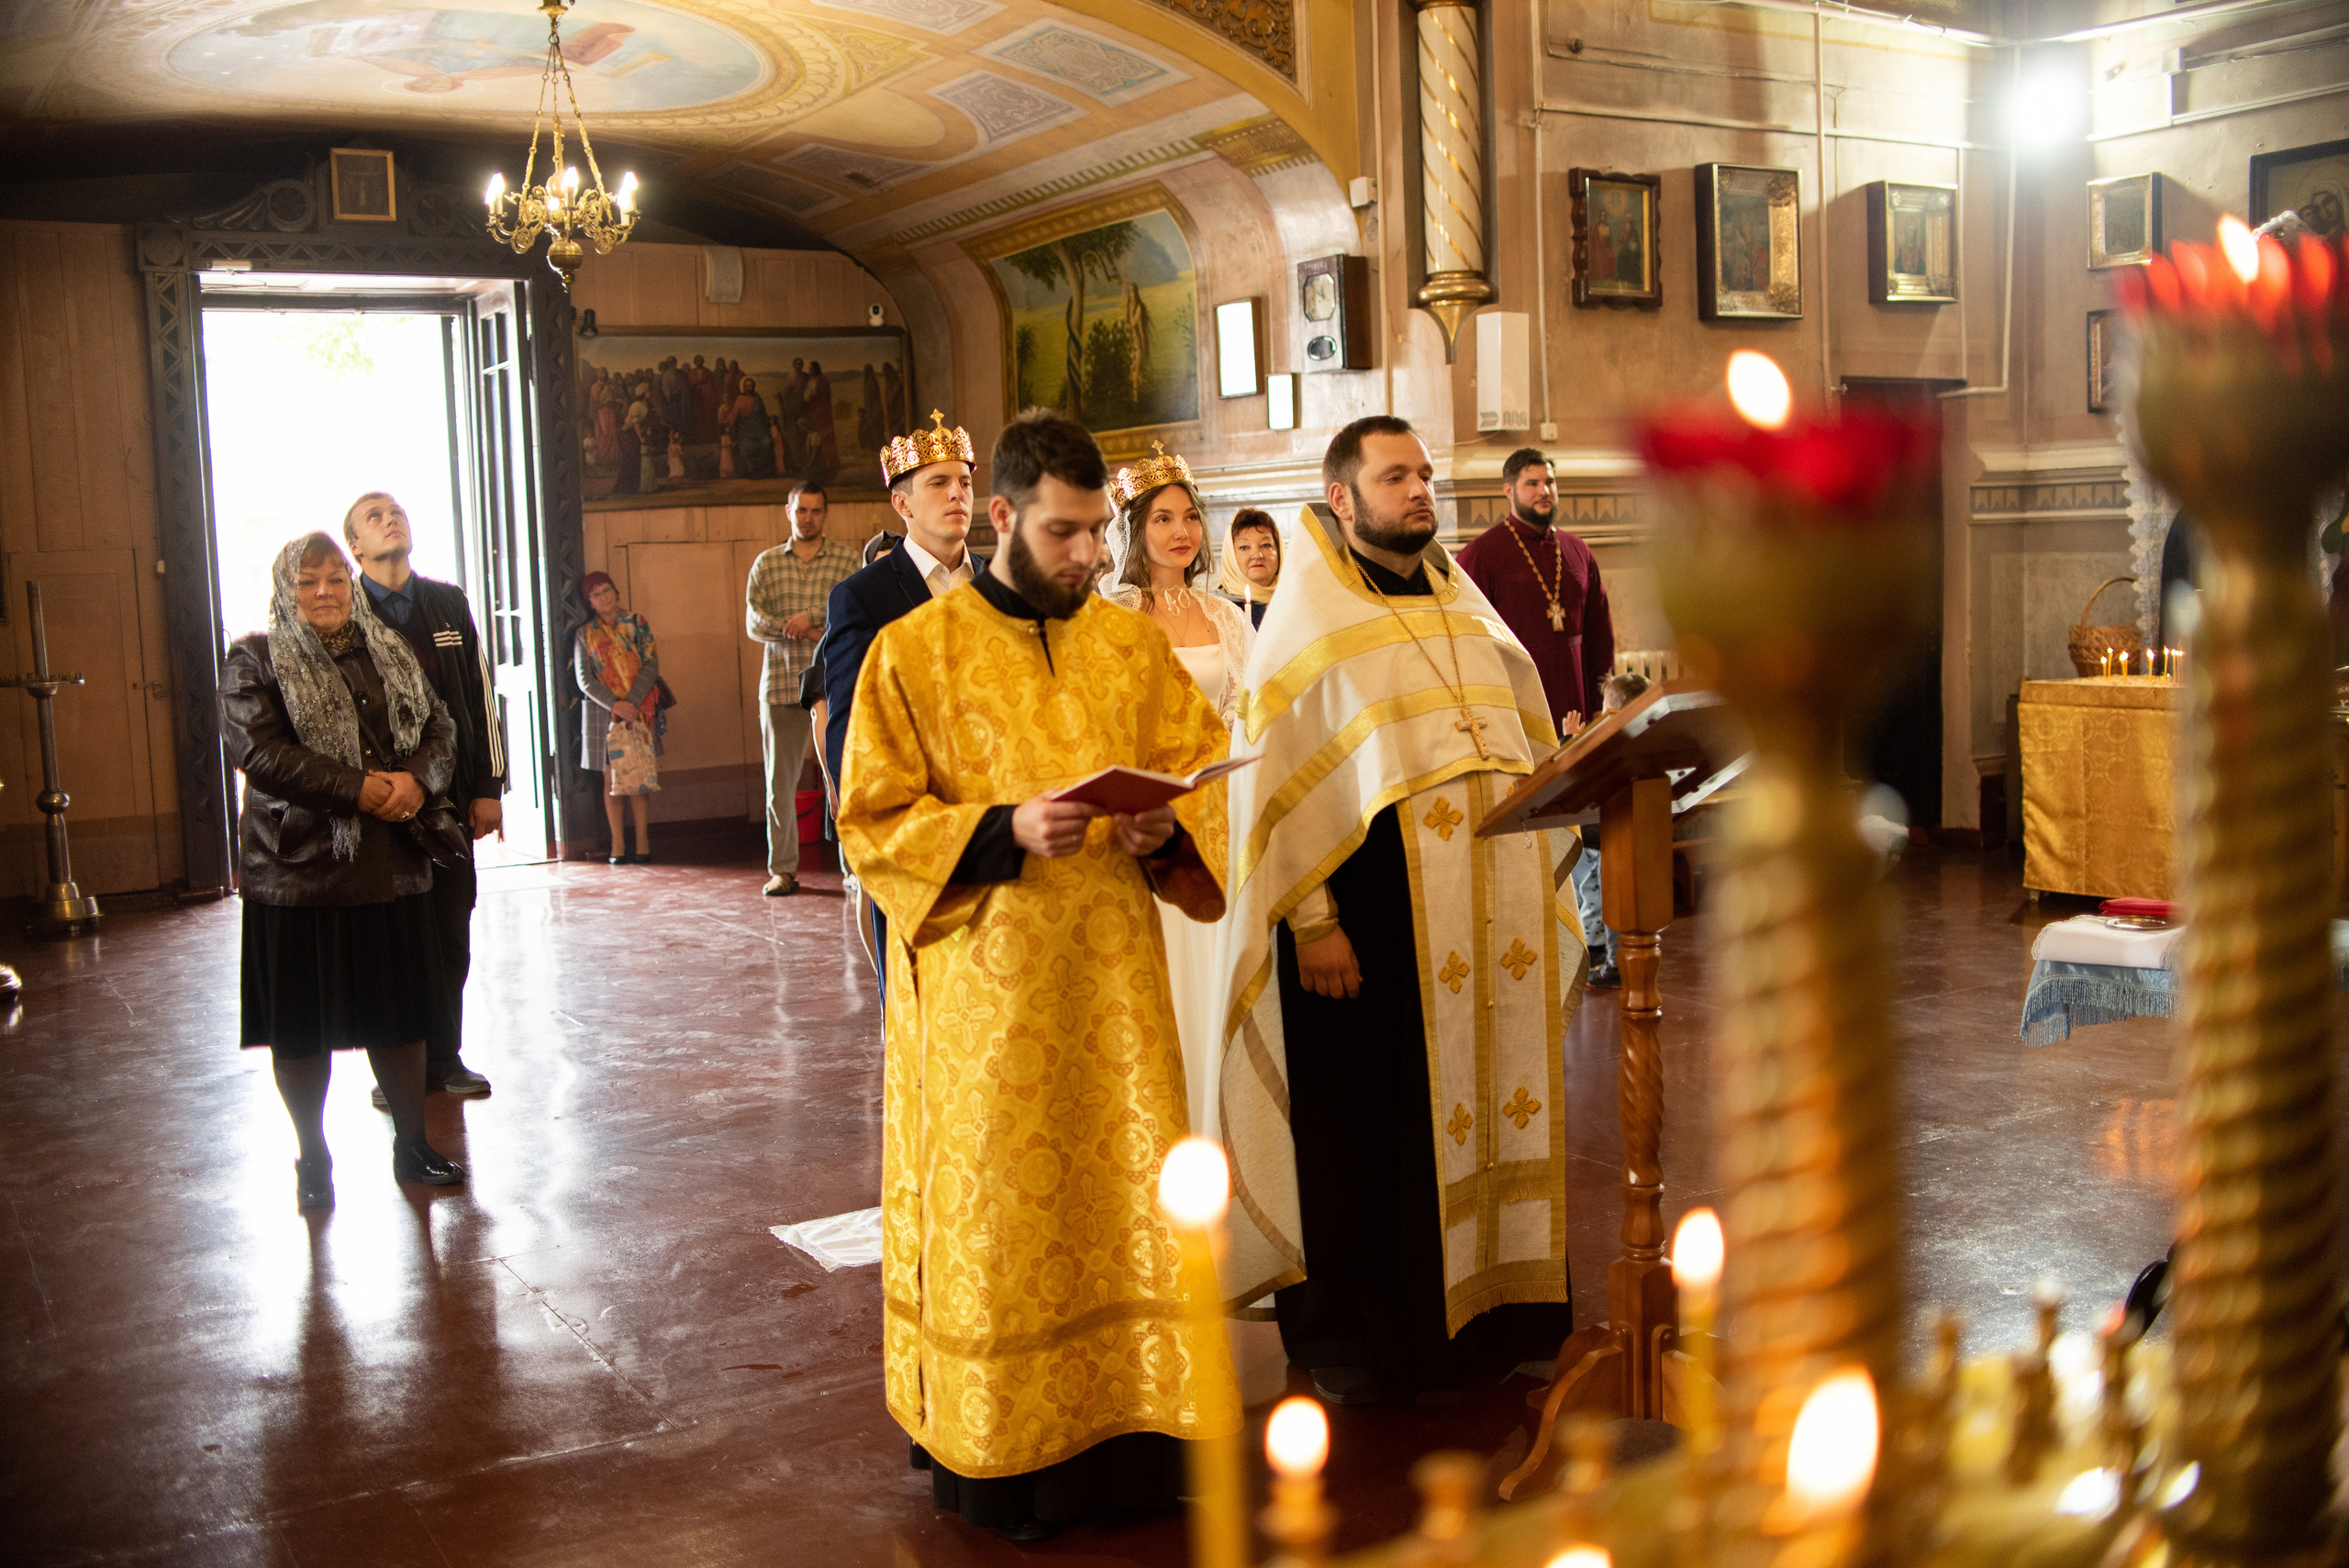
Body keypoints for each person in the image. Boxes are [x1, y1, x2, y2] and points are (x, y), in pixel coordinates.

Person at [836, 407, 1238, 1541]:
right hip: (987, 1001)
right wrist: (1004, 827)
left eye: (1096, 532)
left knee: (1129, 1193)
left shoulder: (1129, 644)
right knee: (1008, 1214)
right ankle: (1006, 1451)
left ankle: (1142, 1429)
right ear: (1002, 516)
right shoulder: (913, 652)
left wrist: (1168, 834)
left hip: (1115, 989)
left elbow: (1194, 773)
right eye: (1064, 534)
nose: (1087, 557)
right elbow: (871, 820)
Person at [1214, 415, 1582, 1407]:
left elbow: (1524, 738)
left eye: (1423, 474)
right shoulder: (1306, 624)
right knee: (1368, 1125)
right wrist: (1314, 920)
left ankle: (1504, 1309)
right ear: (1342, 499)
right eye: (1395, 476)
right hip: (1368, 921)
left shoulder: (1465, 608)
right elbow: (1275, 792)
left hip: (1485, 910)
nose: (1419, 489)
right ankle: (1361, 1335)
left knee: (1493, 1098)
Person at [221, 531, 465, 1209]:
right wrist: (355, 788)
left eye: (335, 578)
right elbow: (259, 752)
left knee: (401, 1017)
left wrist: (417, 781)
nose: (325, 591)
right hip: (297, 871)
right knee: (300, 1026)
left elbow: (442, 726)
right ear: (285, 591)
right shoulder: (255, 658)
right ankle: (312, 1153)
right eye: (309, 582)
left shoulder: (385, 646)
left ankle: (412, 1144)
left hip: (390, 862)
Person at [1101, 443, 1252, 1133]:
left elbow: (1249, 704)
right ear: (1136, 531)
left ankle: (1223, 1120)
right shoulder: (1114, 615)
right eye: (1162, 519)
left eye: (1189, 516)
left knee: (1219, 973)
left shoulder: (1223, 615)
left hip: (1218, 807)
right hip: (1153, 815)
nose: (1181, 531)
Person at [344, 491, 507, 1100]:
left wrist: (488, 786)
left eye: (395, 511)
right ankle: (394, 1071)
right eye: (373, 516)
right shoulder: (345, 611)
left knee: (448, 932)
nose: (391, 519)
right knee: (387, 941)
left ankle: (446, 1055)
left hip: (448, 805)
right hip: (380, 808)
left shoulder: (446, 602)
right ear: (355, 546)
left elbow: (480, 697)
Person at [822, 410, 983, 984]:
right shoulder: (862, 597)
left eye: (964, 481)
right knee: (918, 982)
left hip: (995, 813)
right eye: (938, 483)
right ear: (903, 503)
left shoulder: (998, 586)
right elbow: (850, 720)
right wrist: (875, 818)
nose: (957, 494)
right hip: (914, 810)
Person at [745, 482, 856, 896]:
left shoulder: (847, 561)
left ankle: (853, 868)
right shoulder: (766, 563)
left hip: (834, 686)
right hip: (779, 688)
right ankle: (783, 870)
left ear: (825, 514)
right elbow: (754, 623)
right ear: (787, 512)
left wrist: (815, 628)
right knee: (780, 785)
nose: (808, 517)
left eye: (815, 510)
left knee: (844, 779)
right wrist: (798, 629)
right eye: (801, 510)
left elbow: (856, 619)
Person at [1455, 447, 1615, 731]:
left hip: (1575, 690)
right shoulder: (1481, 553)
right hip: (1517, 699)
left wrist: (1601, 701)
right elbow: (1468, 639)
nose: (1544, 491)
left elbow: (1599, 632)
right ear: (1509, 490)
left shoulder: (1577, 550)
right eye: (1532, 483)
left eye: (1550, 482)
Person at [573, 570, 665, 864]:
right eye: (596, 594)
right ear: (590, 602)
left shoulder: (637, 624)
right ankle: (617, 845)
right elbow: (584, 680)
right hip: (604, 712)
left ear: (616, 592)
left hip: (640, 707)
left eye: (607, 590)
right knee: (611, 778)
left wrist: (632, 701)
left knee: (639, 773)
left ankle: (642, 842)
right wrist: (616, 704)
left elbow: (651, 664)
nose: (603, 597)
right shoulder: (584, 633)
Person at [1569, 670, 1650, 990]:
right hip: (1632, 831)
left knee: (1602, 898)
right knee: (1617, 900)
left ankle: (1608, 962)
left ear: (1613, 710)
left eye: (1604, 707)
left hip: (1604, 835)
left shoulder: (1609, 735)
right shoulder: (1646, 734)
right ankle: (1616, 961)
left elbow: (1578, 765)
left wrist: (1572, 741)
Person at [1217, 506, 1281, 628]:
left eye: (1266, 545)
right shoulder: (1217, 609)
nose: (1257, 555)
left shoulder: (1297, 601)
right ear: (1230, 555)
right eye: (1244, 547)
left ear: (1279, 552)